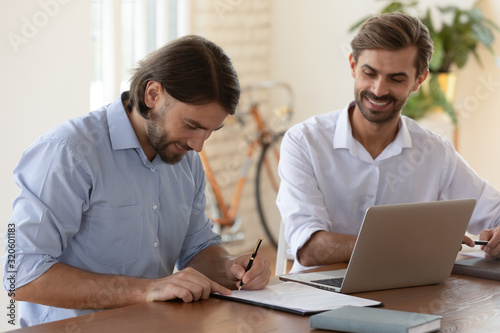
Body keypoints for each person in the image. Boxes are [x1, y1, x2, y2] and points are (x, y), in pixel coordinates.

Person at [3, 35, 271, 327]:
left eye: (210, 131)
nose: (198, 146)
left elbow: (197, 250)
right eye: (191, 125)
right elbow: (19, 272)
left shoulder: (184, 159)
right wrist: (147, 289)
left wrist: (229, 267)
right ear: (153, 94)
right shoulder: (68, 152)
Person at [276, 12, 500, 273]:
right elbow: (310, 249)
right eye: (369, 73)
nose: (378, 89)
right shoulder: (304, 141)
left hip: (408, 298)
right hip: (319, 299)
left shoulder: (435, 152)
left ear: (419, 80)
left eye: (396, 78)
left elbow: (494, 210)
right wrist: (413, 244)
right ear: (352, 65)